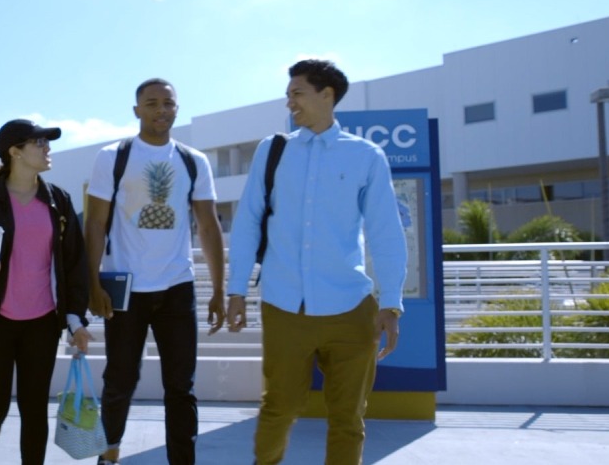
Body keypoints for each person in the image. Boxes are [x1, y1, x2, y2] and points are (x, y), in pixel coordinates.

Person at [225, 59, 407, 465]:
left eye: (297, 93)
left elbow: (385, 233)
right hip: (284, 304)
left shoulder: (366, 156)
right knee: (279, 409)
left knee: (347, 418)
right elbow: (248, 220)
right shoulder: (273, 151)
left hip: (351, 308)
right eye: (288, 94)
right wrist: (235, 290)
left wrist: (391, 303)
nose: (290, 102)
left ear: (327, 96)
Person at [83, 78, 226, 465]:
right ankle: (108, 455)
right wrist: (92, 282)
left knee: (181, 388)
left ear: (177, 108)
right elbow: (95, 223)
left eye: (168, 103)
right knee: (119, 383)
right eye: (151, 103)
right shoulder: (113, 156)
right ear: (136, 110)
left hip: (178, 287)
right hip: (124, 286)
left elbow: (209, 225)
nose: (161, 110)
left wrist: (218, 289)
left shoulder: (194, 160)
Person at [0, 119, 92, 465]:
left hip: (42, 322)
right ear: (15, 152)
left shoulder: (58, 202)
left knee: (34, 409)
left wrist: (75, 319)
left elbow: (74, 264)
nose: (48, 148)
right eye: (40, 143)